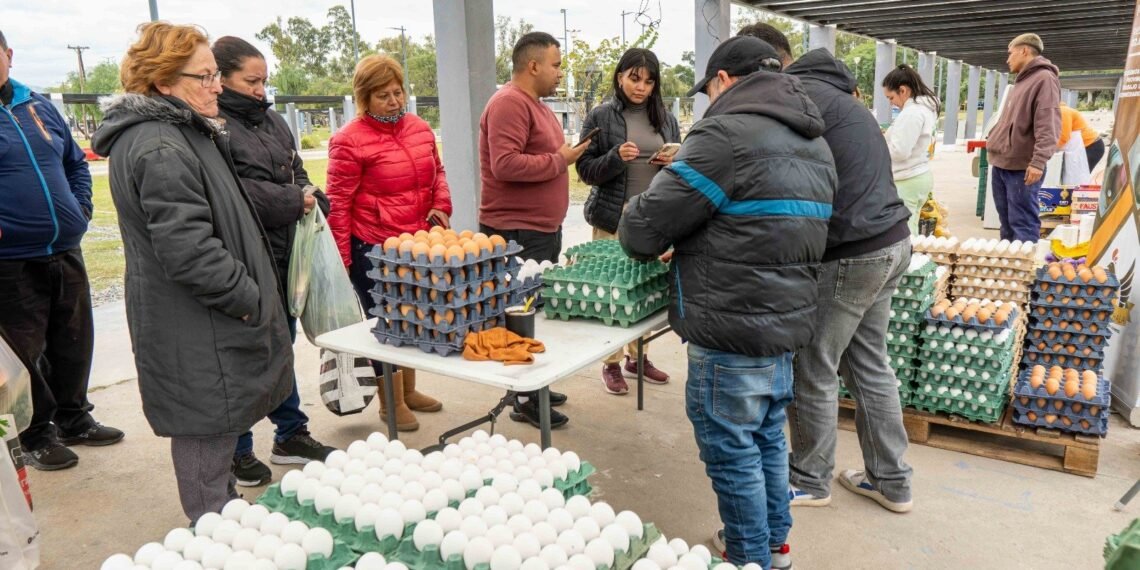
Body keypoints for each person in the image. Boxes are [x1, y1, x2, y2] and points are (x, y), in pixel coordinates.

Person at [621, 36, 836, 570]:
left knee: (733, 453)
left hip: (730, 325)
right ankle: (774, 548)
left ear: (722, 81)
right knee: (764, 442)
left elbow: (646, 228)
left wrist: (638, 218)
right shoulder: (815, 141)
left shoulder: (723, 134)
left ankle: (748, 558)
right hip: (782, 325)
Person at [91, 22, 293, 523]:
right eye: (203, 77)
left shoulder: (180, 131)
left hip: (202, 319)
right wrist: (247, 297)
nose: (216, 86)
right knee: (206, 425)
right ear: (163, 82)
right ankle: (211, 529)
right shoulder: (160, 144)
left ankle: (220, 514)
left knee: (216, 425)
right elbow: (188, 249)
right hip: (197, 321)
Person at [738, 23, 915, 520]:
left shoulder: (795, 97)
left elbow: (775, 169)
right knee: (869, 363)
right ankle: (892, 480)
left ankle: (810, 478)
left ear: (766, 65)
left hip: (852, 250)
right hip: (892, 242)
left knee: (814, 364)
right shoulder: (842, 98)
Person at [212, 36, 336, 486]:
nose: (261, 90)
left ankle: (291, 434)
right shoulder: (214, 126)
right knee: (245, 357)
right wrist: (294, 199)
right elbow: (234, 191)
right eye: (251, 81)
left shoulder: (273, 121)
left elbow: (296, 168)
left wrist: (309, 192)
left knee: (281, 348)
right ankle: (238, 451)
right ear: (220, 78)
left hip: (286, 253)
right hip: (245, 257)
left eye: (264, 80)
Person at [0, 28, 123, 471]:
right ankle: (35, 433)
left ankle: (75, 418)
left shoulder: (38, 106)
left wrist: (80, 207)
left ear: (8, 55)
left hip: (65, 246)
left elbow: (75, 162)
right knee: (23, 351)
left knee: (73, 340)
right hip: (10, 261)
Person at [327, 54, 449, 433]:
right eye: (383, 96)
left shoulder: (419, 128)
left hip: (415, 243)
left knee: (412, 317)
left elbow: (437, 173)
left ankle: (408, 391)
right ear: (365, 98)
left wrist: (441, 206)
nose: (394, 101)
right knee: (385, 323)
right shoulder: (348, 141)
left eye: (398, 92)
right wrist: (344, 260)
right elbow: (338, 203)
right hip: (373, 247)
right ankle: (390, 403)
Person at [478, 32, 582, 428]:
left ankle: (532, 386)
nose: (559, 72)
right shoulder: (508, 103)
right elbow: (505, 164)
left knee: (532, 313)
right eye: (556, 65)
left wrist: (562, 157)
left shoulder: (534, 104)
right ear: (533, 65)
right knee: (518, 314)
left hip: (539, 228)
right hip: (515, 229)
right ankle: (522, 397)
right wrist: (560, 160)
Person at [576, 47, 680, 395]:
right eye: (635, 78)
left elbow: (682, 166)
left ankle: (639, 356)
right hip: (612, 218)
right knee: (612, 294)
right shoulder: (601, 116)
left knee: (645, 290)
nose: (641, 87)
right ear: (620, 76)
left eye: (649, 81)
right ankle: (611, 362)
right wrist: (615, 158)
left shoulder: (665, 118)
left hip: (652, 219)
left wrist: (673, 162)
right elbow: (585, 170)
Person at [987, 33, 1061, 242]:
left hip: (1022, 166)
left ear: (1024, 51)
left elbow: (1048, 123)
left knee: (1022, 223)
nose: (1007, 59)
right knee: (1007, 222)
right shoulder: (1022, 81)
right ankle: (1010, 268)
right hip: (1003, 163)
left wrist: (1038, 162)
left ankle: (1023, 271)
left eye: (1010, 53)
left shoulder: (1044, 79)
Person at [882, 64, 940, 234]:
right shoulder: (924, 110)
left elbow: (899, 151)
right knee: (911, 227)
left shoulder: (911, 113)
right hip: (917, 176)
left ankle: (907, 260)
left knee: (903, 232)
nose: (891, 103)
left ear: (903, 90)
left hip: (907, 178)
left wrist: (878, 147)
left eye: (890, 97)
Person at [1059, 103, 1105, 171]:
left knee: (1078, 177)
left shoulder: (1063, 111)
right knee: (1073, 176)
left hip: (1091, 146)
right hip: (1079, 147)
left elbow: (1063, 137)